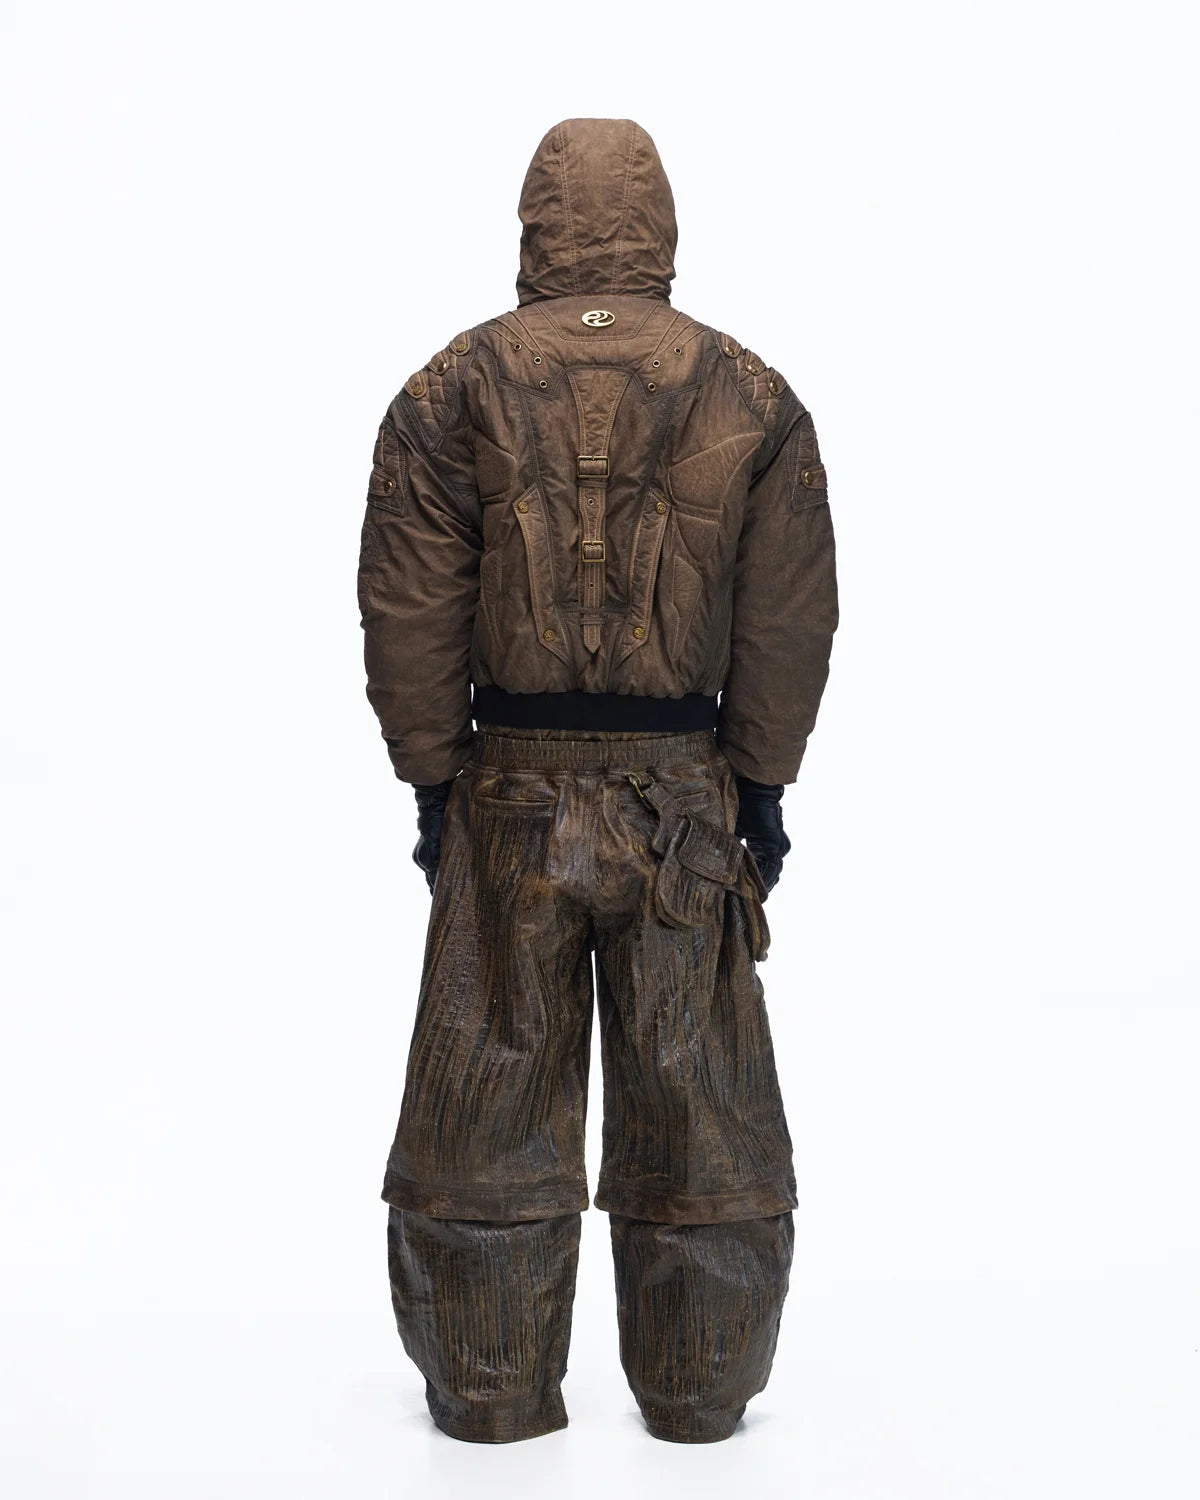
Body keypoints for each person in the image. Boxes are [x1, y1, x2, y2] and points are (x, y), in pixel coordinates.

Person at [357, 117, 838, 1444]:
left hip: (508, 790)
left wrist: (432, 781)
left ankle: (489, 1391)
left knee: (486, 1097)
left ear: (535, 224)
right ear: (661, 223)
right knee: (700, 1096)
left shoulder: (451, 387)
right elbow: (791, 612)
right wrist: (761, 785)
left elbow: (407, 604)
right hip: (682, 800)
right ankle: (700, 1393)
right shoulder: (747, 391)